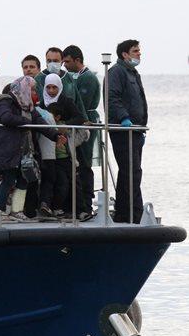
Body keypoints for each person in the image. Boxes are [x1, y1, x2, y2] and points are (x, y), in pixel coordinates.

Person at [0, 77, 61, 221]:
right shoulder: (7, 101)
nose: (34, 93)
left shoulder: (29, 106)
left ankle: (17, 210)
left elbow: (40, 122)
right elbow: (5, 117)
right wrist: (26, 122)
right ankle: (0, 212)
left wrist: (55, 135)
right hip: (8, 148)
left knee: (24, 180)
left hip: (24, 149)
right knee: (9, 180)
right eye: (32, 89)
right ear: (24, 89)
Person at [108, 39, 148, 223]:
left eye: (139, 50)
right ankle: (131, 214)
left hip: (136, 131)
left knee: (131, 172)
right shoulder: (117, 72)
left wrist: (141, 127)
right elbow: (112, 97)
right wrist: (124, 118)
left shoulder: (132, 73)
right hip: (123, 130)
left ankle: (128, 213)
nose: (139, 53)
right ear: (125, 54)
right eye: (135, 51)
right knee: (130, 171)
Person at [36, 74, 87, 218]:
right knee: (53, 181)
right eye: (48, 87)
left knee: (72, 182)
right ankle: (51, 207)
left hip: (65, 150)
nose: (51, 91)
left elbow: (79, 117)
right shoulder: (41, 105)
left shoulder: (67, 101)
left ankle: (78, 210)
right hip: (48, 152)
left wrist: (65, 125)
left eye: (54, 87)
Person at [63, 45, 100, 218]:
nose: (65, 65)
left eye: (67, 62)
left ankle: (87, 202)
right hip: (76, 123)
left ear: (77, 60)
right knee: (75, 162)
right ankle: (76, 202)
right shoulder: (74, 77)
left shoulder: (88, 78)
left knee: (84, 162)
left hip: (86, 122)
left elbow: (81, 104)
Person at [34, 47, 86, 119]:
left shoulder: (68, 77)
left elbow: (78, 101)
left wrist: (84, 119)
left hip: (69, 121)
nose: (52, 63)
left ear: (62, 61)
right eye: (49, 61)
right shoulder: (39, 79)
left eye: (55, 61)